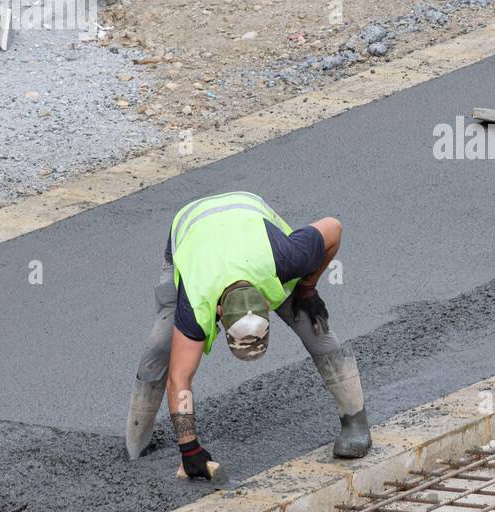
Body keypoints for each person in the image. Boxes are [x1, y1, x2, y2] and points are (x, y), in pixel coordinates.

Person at [124, 191, 370, 477]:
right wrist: (189, 449)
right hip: (191, 225)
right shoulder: (196, 300)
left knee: (314, 327)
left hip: (251, 224)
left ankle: (356, 424)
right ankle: (136, 444)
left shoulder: (288, 259)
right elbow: (179, 379)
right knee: (160, 346)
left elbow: (333, 227)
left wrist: (307, 289)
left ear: (268, 305)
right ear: (218, 314)